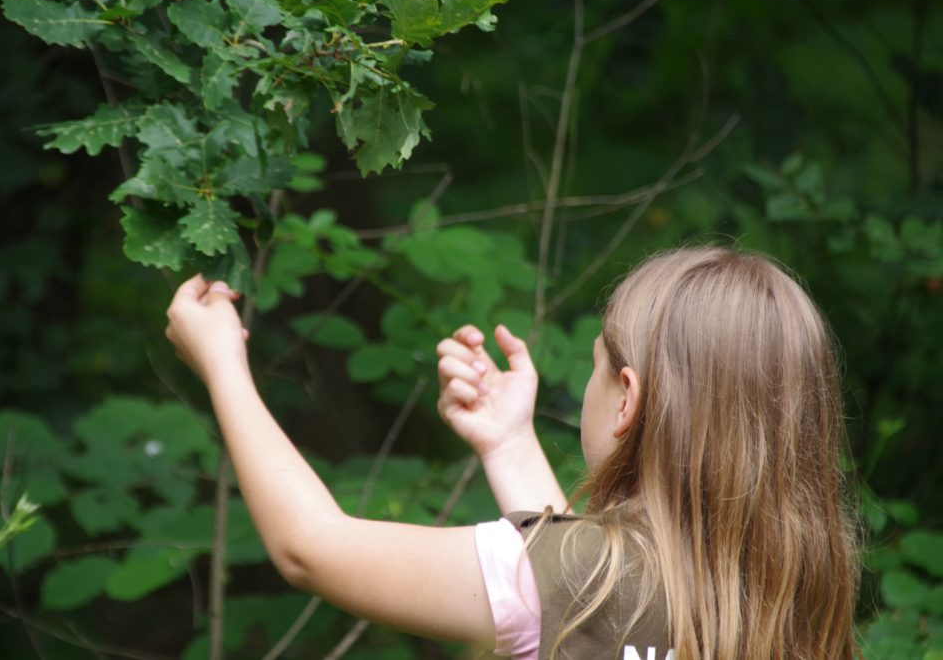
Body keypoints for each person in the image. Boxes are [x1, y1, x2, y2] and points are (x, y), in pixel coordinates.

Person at [164, 245, 859, 659]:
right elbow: (574, 598)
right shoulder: (794, 593)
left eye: (595, 366)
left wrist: (223, 365)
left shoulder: (584, 577)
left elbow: (310, 548)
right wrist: (508, 440)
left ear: (627, 399)